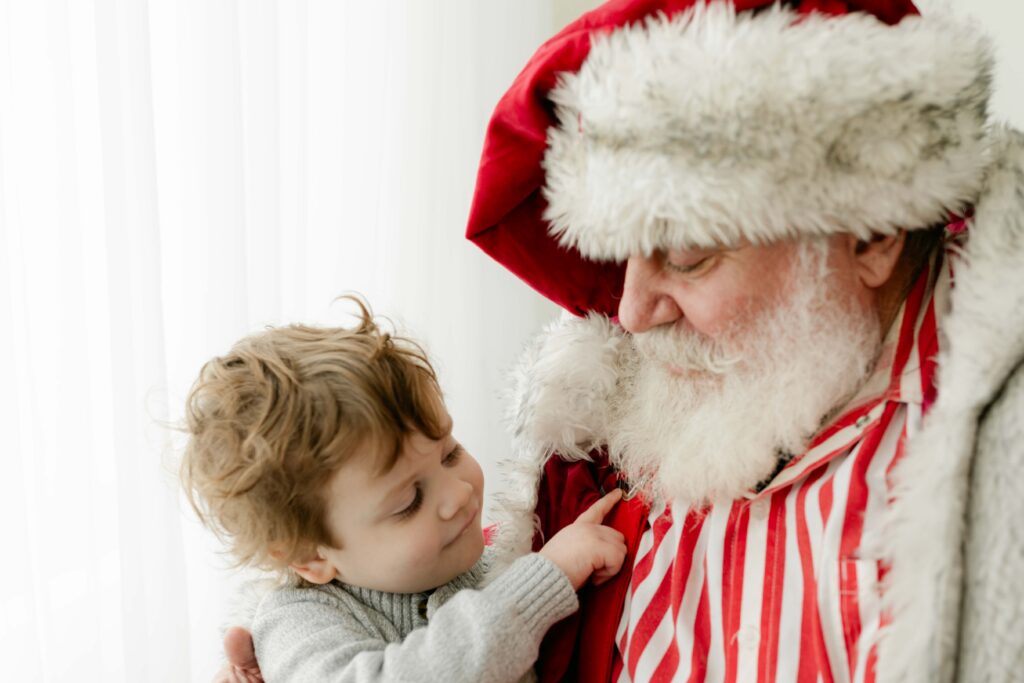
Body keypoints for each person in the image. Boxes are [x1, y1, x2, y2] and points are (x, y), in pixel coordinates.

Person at [221, 1, 1024, 681]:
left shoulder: (996, 455)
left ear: (873, 232)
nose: (631, 311)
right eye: (618, 254)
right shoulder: (602, 427)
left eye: (685, 253)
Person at [184, 298, 627, 683]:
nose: (457, 494)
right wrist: (546, 579)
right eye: (409, 502)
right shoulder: (296, 624)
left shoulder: (482, 562)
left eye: (450, 453)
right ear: (312, 557)